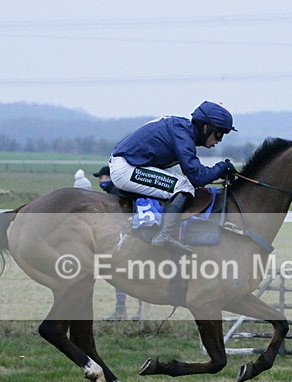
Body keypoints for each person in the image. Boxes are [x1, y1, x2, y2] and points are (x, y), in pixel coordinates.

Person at [108, 101, 238, 255]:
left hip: (133, 164)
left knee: (182, 184)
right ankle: (164, 235)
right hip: (126, 168)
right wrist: (222, 167)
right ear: (206, 127)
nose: (220, 140)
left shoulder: (182, 130)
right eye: (219, 134)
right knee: (184, 186)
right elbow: (198, 177)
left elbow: (196, 173)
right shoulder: (183, 135)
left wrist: (219, 171)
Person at [93, 165, 143, 321]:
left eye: (104, 177)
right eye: (100, 178)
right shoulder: (113, 193)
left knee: (132, 277)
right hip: (123, 240)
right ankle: (124, 311)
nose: (102, 181)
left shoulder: (117, 193)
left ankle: (134, 311)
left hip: (128, 241)